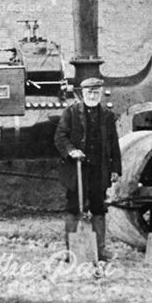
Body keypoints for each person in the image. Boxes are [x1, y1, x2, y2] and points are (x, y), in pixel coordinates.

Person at [53, 77, 122, 262]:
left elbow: (114, 144)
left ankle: (100, 250)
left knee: (99, 209)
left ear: (100, 93)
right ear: (82, 94)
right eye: (89, 92)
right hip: (77, 170)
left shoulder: (107, 115)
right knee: (74, 208)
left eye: (96, 92)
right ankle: (71, 250)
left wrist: (115, 169)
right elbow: (60, 136)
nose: (93, 95)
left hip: (99, 170)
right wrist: (71, 151)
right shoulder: (71, 112)